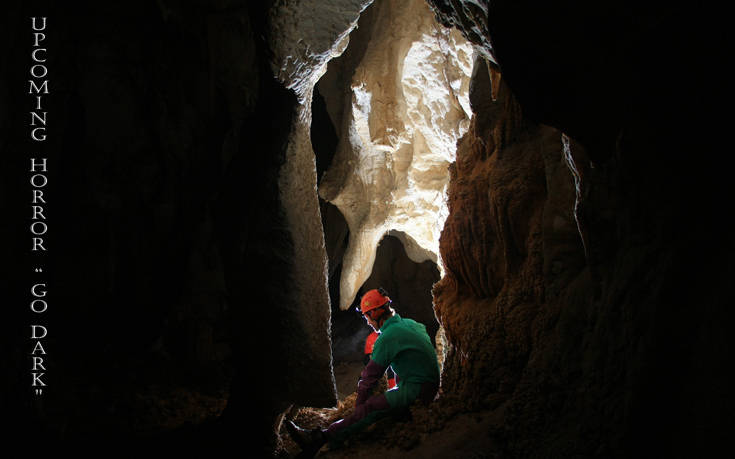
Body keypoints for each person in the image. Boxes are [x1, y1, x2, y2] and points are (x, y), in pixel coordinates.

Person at [285, 288, 440, 457]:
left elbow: (369, 378)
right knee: (380, 406)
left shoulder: (388, 337)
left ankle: (320, 438)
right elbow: (413, 360)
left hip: (418, 389)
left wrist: (359, 407)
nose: (367, 321)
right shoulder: (412, 324)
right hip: (428, 385)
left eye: (367, 315)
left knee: (370, 407)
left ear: (375, 313)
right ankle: (325, 439)